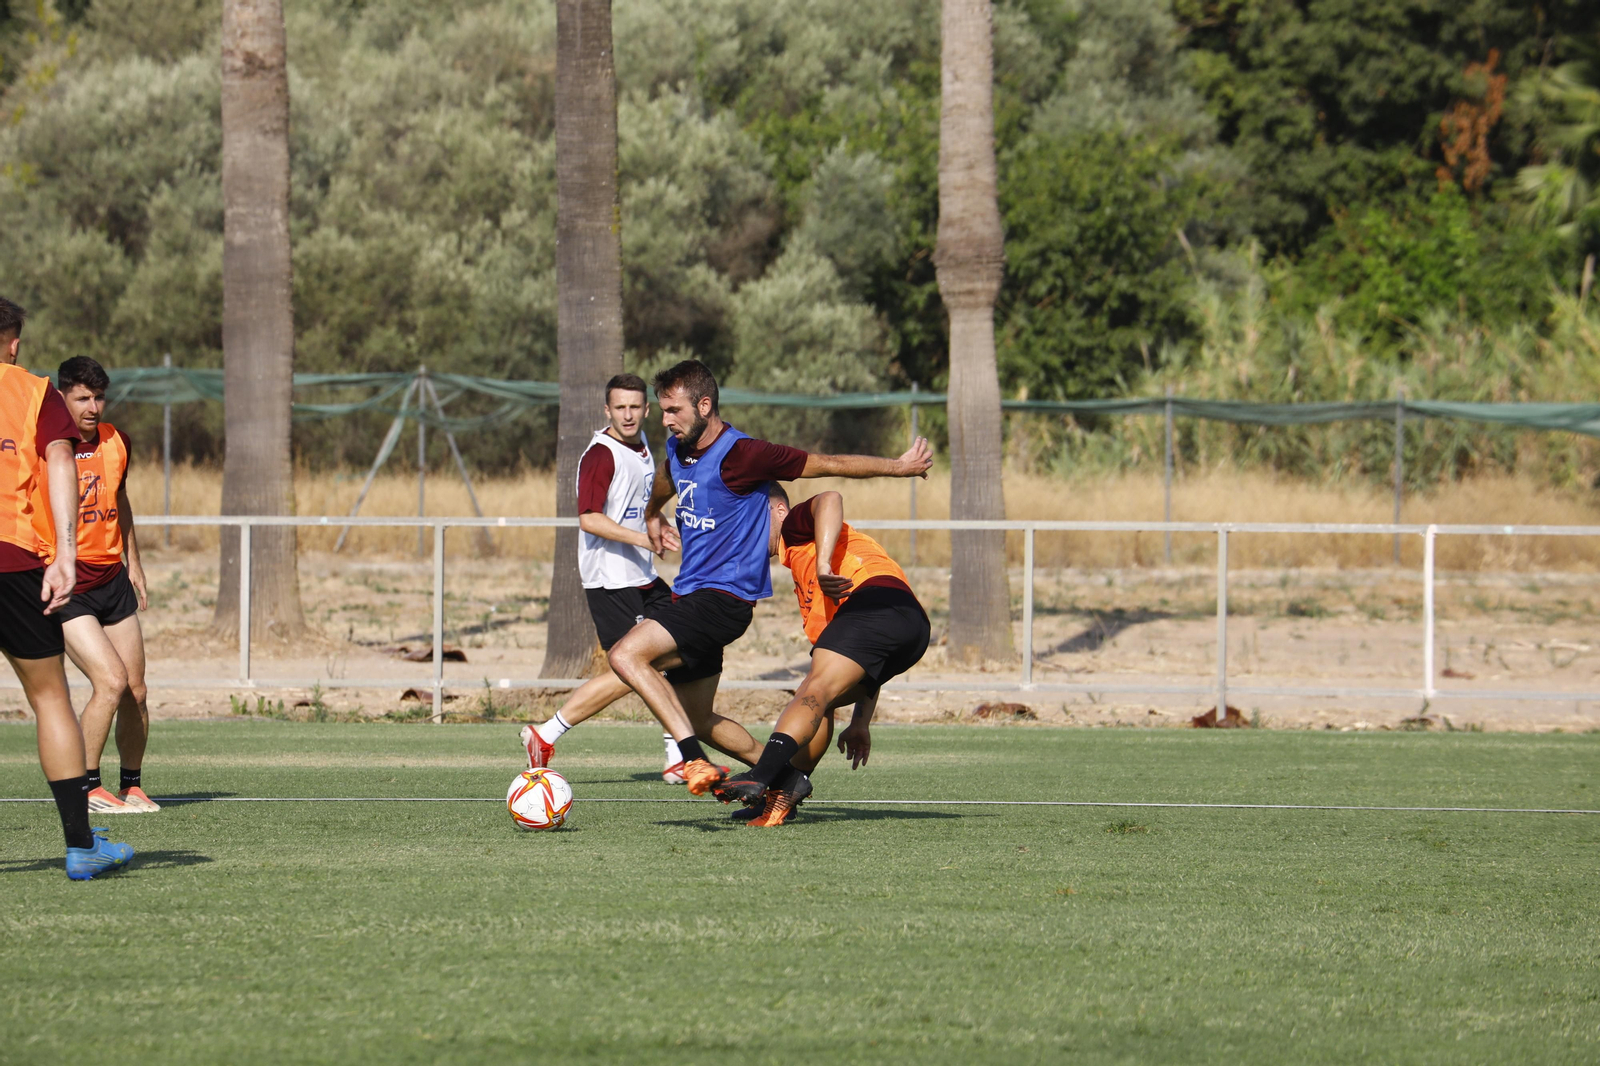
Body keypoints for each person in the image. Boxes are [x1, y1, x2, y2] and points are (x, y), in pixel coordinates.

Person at [605, 358, 933, 797]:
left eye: (674, 411)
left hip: (719, 599)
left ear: (705, 405)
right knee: (700, 718)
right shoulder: (679, 448)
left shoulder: (745, 455)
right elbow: (667, 476)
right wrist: (651, 513)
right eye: (662, 411)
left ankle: (692, 760)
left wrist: (899, 467)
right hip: (691, 595)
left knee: (626, 656)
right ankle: (783, 778)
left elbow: (827, 465)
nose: (665, 421)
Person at [0, 297, 133, 879]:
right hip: (15, 559)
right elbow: (61, 463)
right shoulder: (33, 391)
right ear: (13, 342)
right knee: (51, 697)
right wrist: (67, 557)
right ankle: (81, 845)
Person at [713, 485, 930, 826]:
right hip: (911, 628)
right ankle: (785, 795)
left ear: (779, 511)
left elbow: (830, 498)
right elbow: (864, 661)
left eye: (750, 517)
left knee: (813, 689)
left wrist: (825, 565)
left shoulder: (797, 530)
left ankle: (762, 775)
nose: (744, 529)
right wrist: (860, 722)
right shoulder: (807, 578)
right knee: (822, 695)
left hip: (880, 603)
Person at [517, 374, 689, 780]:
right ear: (607, 410)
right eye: (620, 407)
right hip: (610, 580)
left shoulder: (646, 446)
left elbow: (636, 502)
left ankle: (675, 756)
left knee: (680, 648)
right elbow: (590, 519)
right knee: (633, 669)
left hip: (641, 575)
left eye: (635, 407)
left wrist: (656, 522)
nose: (628, 415)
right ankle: (546, 733)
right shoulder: (600, 455)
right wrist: (641, 539)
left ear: (646, 410)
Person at [53, 356, 158, 814]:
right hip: (69, 587)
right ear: (63, 398)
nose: (93, 407)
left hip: (112, 580)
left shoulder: (119, 442)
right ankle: (88, 787)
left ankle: (131, 785)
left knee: (136, 689)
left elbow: (120, 499)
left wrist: (133, 561)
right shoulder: (49, 447)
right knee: (110, 682)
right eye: (82, 398)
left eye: (98, 397)